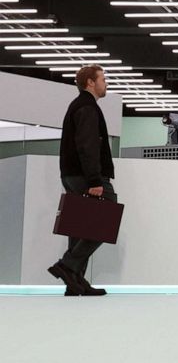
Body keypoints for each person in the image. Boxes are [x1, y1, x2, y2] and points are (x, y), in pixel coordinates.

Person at [47, 64, 117, 297]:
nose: (105, 83)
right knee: (105, 220)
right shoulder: (87, 107)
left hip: (72, 174)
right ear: (90, 82)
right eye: (103, 79)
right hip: (85, 176)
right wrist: (95, 180)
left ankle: (74, 282)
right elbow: (88, 146)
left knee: (79, 226)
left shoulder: (79, 106)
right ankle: (68, 266)